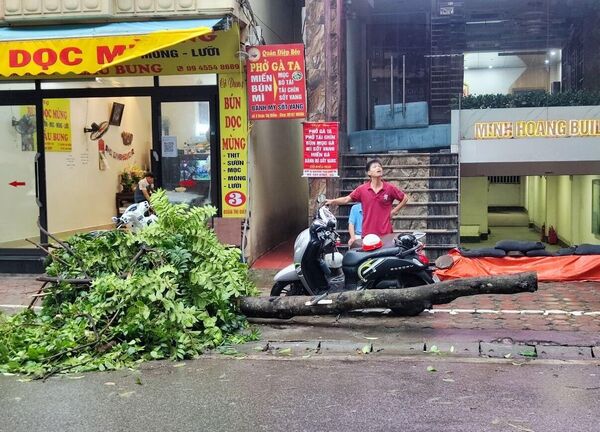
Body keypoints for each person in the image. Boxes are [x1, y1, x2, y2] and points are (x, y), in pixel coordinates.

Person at [326, 159, 409, 237]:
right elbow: (346, 199)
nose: (378, 168)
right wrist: (332, 201)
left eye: (379, 166)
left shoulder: (389, 188)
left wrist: (394, 211)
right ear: (369, 173)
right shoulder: (362, 189)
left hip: (386, 233)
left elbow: (404, 198)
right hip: (368, 234)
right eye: (375, 166)